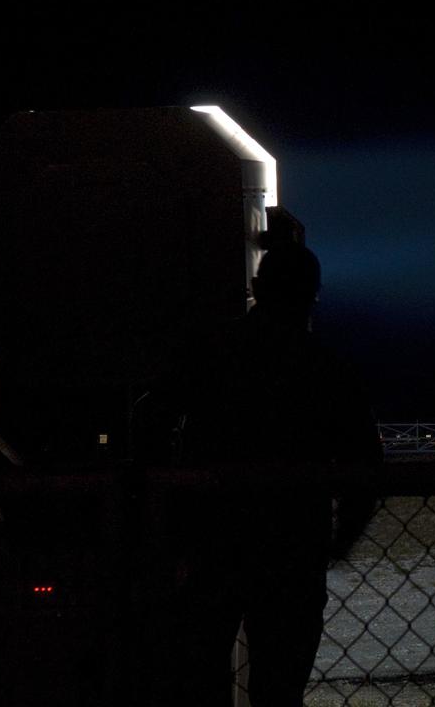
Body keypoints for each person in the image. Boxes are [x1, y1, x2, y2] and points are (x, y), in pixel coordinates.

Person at [142, 241, 381, 707]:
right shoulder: (327, 368)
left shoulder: (212, 355)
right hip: (293, 547)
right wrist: (342, 537)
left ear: (256, 289)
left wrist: (168, 510)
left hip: (214, 542)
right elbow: (365, 462)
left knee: (200, 675)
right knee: (279, 686)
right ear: (314, 295)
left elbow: (152, 418)